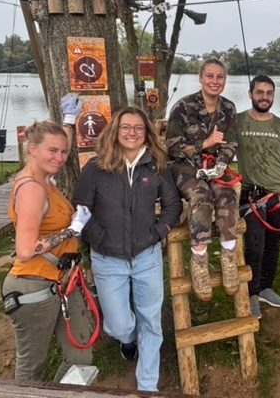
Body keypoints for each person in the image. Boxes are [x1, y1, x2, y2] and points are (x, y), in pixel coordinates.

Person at [72, 107, 182, 392]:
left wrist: (157, 233)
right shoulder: (96, 168)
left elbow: (172, 205)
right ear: (115, 131)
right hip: (107, 259)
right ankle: (128, 339)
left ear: (146, 133)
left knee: (151, 321)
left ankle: (147, 386)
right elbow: (81, 209)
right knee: (119, 325)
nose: (132, 132)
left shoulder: (156, 166)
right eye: (125, 127)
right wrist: (100, 240)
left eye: (138, 128)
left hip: (147, 256)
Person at [1, 93, 93, 383]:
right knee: (32, 366)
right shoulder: (32, 190)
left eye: (64, 152)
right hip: (34, 284)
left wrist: (69, 121)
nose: (60, 158)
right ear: (32, 150)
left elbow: (58, 146)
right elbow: (26, 250)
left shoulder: (44, 178)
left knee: (81, 358)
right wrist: (72, 231)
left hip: (62, 281)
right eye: (52, 151)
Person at [166, 58, 240, 302]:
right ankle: (199, 261)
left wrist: (221, 164)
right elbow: (171, 146)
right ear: (200, 78)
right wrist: (204, 144)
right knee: (202, 196)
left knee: (228, 196)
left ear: (225, 80)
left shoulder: (228, 108)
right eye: (210, 76)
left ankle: (229, 258)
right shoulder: (183, 106)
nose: (214, 81)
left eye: (220, 77)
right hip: (184, 165)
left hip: (213, 166)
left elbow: (231, 143)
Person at [237, 75, 280, 319]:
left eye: (269, 93)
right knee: (255, 247)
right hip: (252, 196)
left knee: (274, 244)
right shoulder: (238, 122)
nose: (264, 97)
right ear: (250, 94)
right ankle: (252, 294)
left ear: (273, 96)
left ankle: (266, 287)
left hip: (279, 195)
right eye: (260, 92)